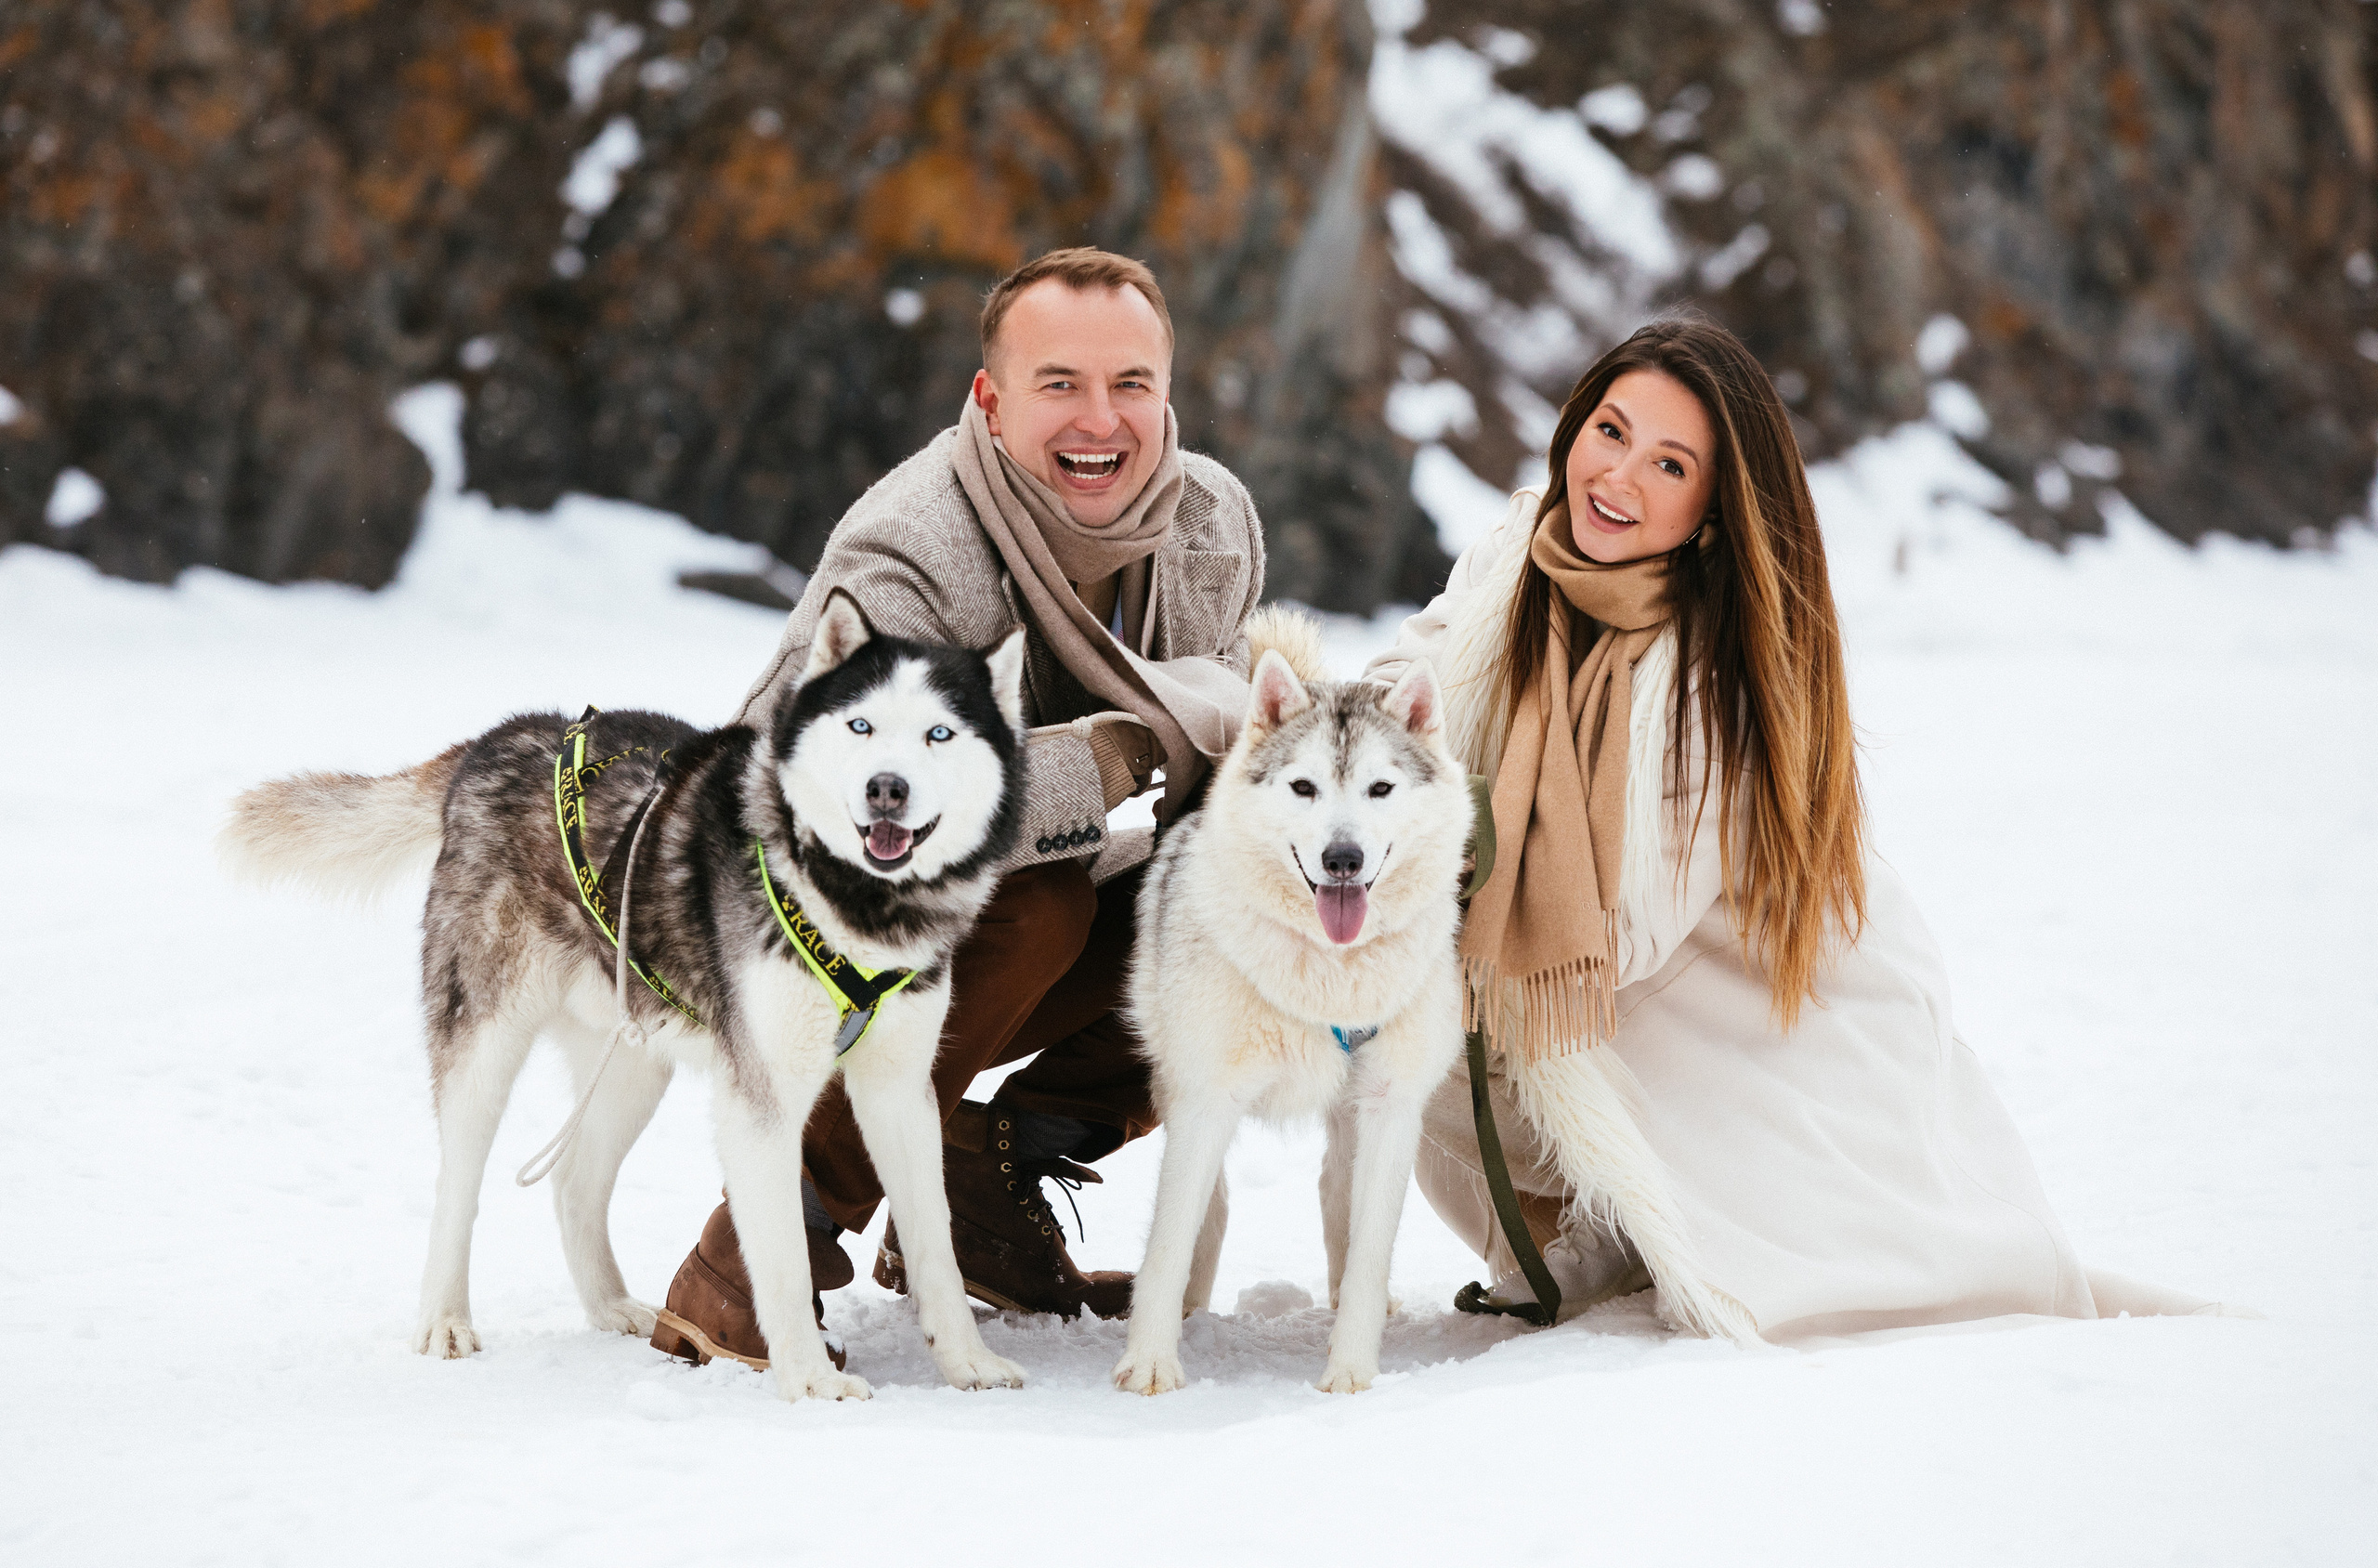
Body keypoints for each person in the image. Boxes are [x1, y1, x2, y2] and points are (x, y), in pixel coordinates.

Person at [1368, 314, 2235, 1341]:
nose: (1617, 477)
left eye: (1669, 464)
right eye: (1610, 430)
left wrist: (1438, 849)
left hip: (1777, 1040)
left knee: (1431, 982)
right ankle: (1583, 1240)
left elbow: (1619, 934)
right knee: (1377, 981)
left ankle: (1626, 1230)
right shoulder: (1516, 556)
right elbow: (1398, 692)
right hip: (1636, 1028)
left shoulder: (1711, 677)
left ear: (1710, 509)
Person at [655, 249, 1263, 1368]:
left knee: (1229, 909)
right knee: (1039, 907)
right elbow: (794, 799)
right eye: (1059, 383)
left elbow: (1212, 763)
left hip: (1027, 907)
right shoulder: (913, 549)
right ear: (989, 398)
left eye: (1130, 383)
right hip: (804, 933)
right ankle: (753, 1249)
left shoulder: (1212, 522)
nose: (1101, 420)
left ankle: (990, 1176)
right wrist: (1110, 756)